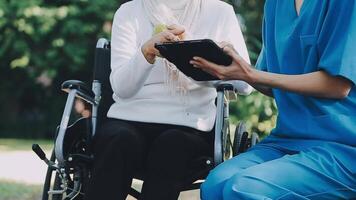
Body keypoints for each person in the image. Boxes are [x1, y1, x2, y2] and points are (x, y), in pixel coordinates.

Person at [85, 0, 252, 199]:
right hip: (129, 117)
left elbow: (245, 85)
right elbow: (122, 89)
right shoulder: (129, 11)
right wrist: (145, 53)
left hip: (190, 124)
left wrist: (192, 58)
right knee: (117, 140)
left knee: (171, 145)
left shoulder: (220, 12)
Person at [191, 0, 356, 199]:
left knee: (243, 188)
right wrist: (234, 70)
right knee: (214, 186)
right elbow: (270, 83)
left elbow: (338, 86)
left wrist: (251, 74)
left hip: (342, 146)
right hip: (287, 139)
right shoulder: (276, 4)